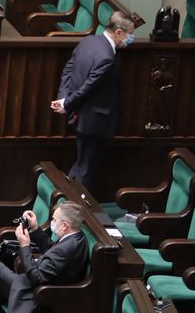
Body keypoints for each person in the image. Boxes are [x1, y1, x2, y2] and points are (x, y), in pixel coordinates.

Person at [51, 11, 137, 194]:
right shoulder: (106, 57)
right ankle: (77, 210)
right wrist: (66, 103)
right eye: (130, 34)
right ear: (119, 32)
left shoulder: (89, 41)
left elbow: (68, 69)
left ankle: (66, 202)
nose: (132, 39)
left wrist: (64, 97)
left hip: (81, 117)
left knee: (81, 164)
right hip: (95, 121)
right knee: (85, 169)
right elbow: (89, 87)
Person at [0, 201, 89, 313]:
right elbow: (52, 249)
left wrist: (25, 246)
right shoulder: (77, 237)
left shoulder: (65, 249)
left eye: (54, 219)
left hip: (36, 295)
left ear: (64, 226)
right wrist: (35, 229)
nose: (52, 221)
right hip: (41, 287)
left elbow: (36, 278)